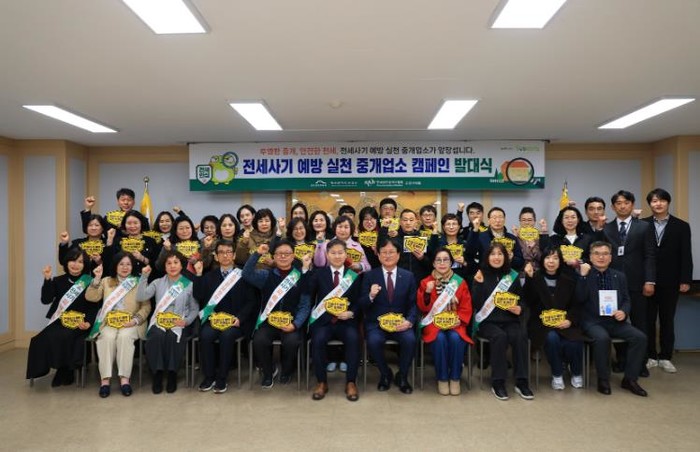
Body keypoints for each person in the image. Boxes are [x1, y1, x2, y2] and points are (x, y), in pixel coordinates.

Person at [576, 241, 648, 396]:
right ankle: (603, 379)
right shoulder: (583, 274)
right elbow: (579, 299)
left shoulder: (619, 276)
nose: (601, 257)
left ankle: (630, 379)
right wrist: (582, 277)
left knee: (640, 338)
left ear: (610, 257)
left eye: (605, 254)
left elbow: (626, 299)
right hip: (592, 321)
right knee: (602, 338)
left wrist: (623, 311)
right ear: (590, 257)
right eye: (597, 254)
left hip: (615, 321)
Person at [244, 240, 312, 389]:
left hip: (290, 323)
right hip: (268, 322)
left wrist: (295, 324)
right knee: (259, 340)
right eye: (279, 254)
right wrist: (257, 254)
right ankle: (268, 372)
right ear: (274, 257)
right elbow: (247, 274)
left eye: (287, 253)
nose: (283, 256)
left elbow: (305, 305)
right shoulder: (266, 275)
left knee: (292, 342)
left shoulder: (301, 276)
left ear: (293, 256)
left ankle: (286, 371)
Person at [602, 190, 656, 376]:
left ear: (632, 205)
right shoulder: (607, 228)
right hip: (613, 284)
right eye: (618, 203)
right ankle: (621, 360)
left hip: (638, 283)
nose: (622, 206)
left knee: (640, 323)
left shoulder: (644, 227)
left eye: (626, 202)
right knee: (617, 323)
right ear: (613, 207)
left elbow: (650, 255)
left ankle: (640, 363)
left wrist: (649, 280)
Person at [26, 248, 98, 386]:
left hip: (80, 322)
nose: (75, 264)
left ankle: (65, 370)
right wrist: (47, 279)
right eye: (72, 260)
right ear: (67, 262)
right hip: (60, 321)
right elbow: (46, 300)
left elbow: (94, 307)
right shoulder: (58, 280)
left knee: (65, 336)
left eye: (80, 262)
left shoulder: (89, 282)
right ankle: (43, 370)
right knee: (39, 339)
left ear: (85, 265)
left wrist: (88, 322)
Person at [193, 240, 257, 393]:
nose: (225, 255)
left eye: (229, 252)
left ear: (234, 255)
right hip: (214, 319)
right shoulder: (209, 276)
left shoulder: (243, 275)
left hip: (235, 321)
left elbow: (252, 301)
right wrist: (199, 275)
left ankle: (222, 378)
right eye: (221, 252)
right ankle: (209, 377)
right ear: (216, 256)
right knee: (205, 335)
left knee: (226, 336)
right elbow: (199, 296)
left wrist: (240, 318)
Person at [471, 242, 533, 401]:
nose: (496, 257)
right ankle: (498, 382)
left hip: (510, 320)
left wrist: (519, 308)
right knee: (500, 337)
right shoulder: (481, 274)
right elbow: (476, 304)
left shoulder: (512, 276)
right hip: (488, 322)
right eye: (493, 254)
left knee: (520, 335)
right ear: (487, 257)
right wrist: (478, 285)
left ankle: (522, 381)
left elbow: (522, 300)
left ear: (505, 257)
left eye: (500, 254)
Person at [85, 252, 150, 397]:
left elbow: (146, 306)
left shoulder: (138, 282)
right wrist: (96, 279)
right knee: (106, 338)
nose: (125, 267)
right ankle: (105, 381)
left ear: (132, 266)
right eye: (121, 264)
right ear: (115, 266)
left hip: (131, 322)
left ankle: (124, 379)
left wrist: (135, 320)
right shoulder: (106, 281)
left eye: (128, 264)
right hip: (109, 322)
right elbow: (91, 297)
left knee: (124, 337)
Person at [642, 188, 693, 373]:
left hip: (671, 280)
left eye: (662, 200)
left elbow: (686, 254)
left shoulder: (681, 226)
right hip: (647, 280)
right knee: (647, 320)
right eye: (654, 201)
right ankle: (650, 355)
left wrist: (685, 279)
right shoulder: (642, 224)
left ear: (668, 202)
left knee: (667, 320)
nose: (658, 204)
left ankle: (665, 357)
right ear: (650, 204)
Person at [359, 238, 418, 394]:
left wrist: (409, 321)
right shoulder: (369, 276)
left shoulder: (408, 276)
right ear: (378, 255)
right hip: (377, 324)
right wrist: (371, 296)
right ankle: (385, 374)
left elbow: (413, 304)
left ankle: (402, 376)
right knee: (373, 341)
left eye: (391, 252)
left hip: (400, 323)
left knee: (410, 340)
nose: (387, 255)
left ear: (398, 255)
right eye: (384, 252)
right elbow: (362, 304)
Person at [307, 239, 362, 401]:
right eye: (333, 253)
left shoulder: (354, 276)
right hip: (324, 322)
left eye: (340, 253)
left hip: (346, 322)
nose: (337, 256)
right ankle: (321, 382)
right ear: (327, 255)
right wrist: (305, 270)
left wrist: (351, 313)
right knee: (317, 340)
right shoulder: (319, 274)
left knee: (354, 339)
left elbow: (359, 301)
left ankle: (351, 382)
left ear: (346, 254)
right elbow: (308, 293)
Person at [523, 248, 585, 390]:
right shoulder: (535, 277)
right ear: (542, 260)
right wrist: (529, 279)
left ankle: (576, 373)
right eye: (547, 258)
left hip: (565, 321)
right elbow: (528, 300)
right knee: (551, 338)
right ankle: (557, 374)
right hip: (541, 323)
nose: (551, 261)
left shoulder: (569, 279)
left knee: (575, 341)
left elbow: (576, 304)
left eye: (555, 258)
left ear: (560, 261)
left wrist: (569, 320)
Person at [137, 252, 198, 394]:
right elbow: (141, 296)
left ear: (182, 265)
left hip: (179, 321)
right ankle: (157, 374)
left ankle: (172, 373)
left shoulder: (189, 284)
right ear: (164, 266)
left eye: (176, 263)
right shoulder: (157, 282)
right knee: (156, 336)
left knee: (173, 337)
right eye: (169, 263)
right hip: (159, 320)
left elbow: (194, 308)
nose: (172, 266)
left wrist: (186, 321)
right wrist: (144, 277)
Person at [417, 248, 473, 396]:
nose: (442, 263)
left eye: (446, 260)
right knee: (439, 338)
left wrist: (458, 320)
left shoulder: (460, 282)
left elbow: (466, 307)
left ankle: (455, 378)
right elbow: (422, 308)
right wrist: (427, 292)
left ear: (451, 262)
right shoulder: (426, 282)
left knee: (456, 338)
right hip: (433, 323)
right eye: (438, 260)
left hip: (455, 322)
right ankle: (442, 378)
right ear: (433, 263)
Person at [541, 206, 594, 271]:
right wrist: (544, 232)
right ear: (561, 221)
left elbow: (592, 258)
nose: (570, 220)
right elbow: (545, 254)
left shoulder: (587, 239)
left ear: (578, 220)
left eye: (573, 217)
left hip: (582, 274)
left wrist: (579, 261)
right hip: (560, 274)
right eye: (566, 217)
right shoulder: (554, 239)